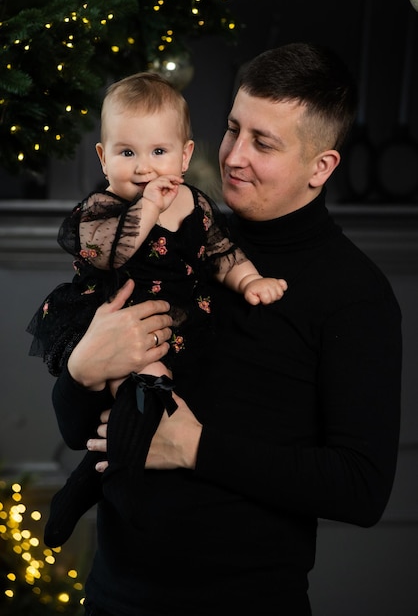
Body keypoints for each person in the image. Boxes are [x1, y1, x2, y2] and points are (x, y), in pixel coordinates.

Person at [49, 42, 402, 616]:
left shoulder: (355, 295)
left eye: (263, 143)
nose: (234, 156)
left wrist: (194, 448)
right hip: (117, 597)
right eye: (233, 129)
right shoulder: (169, 237)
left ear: (322, 165)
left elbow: (360, 487)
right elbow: (75, 428)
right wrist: (81, 368)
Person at [27, 71, 287, 548]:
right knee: (147, 382)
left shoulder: (195, 204)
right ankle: (123, 493)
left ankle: (92, 478)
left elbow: (220, 250)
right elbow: (106, 254)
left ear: (185, 155)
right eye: (127, 153)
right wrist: (146, 209)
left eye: (159, 152)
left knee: (160, 400)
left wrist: (250, 280)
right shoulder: (103, 207)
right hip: (112, 320)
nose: (145, 167)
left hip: (176, 323)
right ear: (104, 158)